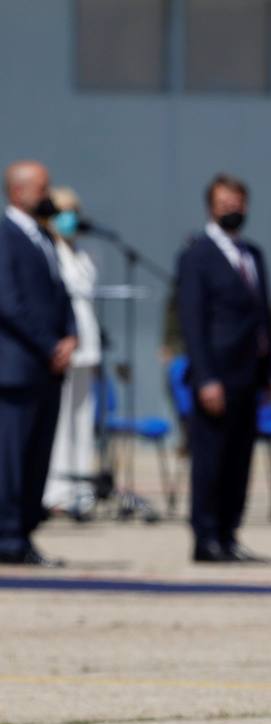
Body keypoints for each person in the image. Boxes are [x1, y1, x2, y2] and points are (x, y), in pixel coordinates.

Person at [176, 173, 271, 563]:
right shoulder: (197, 255)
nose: (232, 209)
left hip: (250, 375)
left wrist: (269, 372)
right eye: (224, 203)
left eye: (237, 203)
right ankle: (206, 537)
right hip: (216, 375)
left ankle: (229, 533)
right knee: (211, 459)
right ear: (210, 207)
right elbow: (193, 322)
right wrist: (205, 377)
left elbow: (265, 318)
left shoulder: (253, 254)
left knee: (239, 459)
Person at [0, 160, 76, 566]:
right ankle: (8, 536)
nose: (47, 196)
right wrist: (50, 344)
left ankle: (25, 532)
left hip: (48, 367)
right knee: (11, 457)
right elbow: (8, 303)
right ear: (17, 192)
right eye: (40, 188)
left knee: (37, 457)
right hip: (17, 368)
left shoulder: (43, 238)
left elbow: (59, 293)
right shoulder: (6, 235)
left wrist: (70, 335)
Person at [42, 186, 102, 520]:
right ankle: (57, 491)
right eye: (63, 212)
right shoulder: (49, 251)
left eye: (74, 211)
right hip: (63, 346)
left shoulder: (80, 253)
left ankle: (83, 489)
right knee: (60, 421)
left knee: (82, 420)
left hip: (87, 346)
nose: (70, 218)